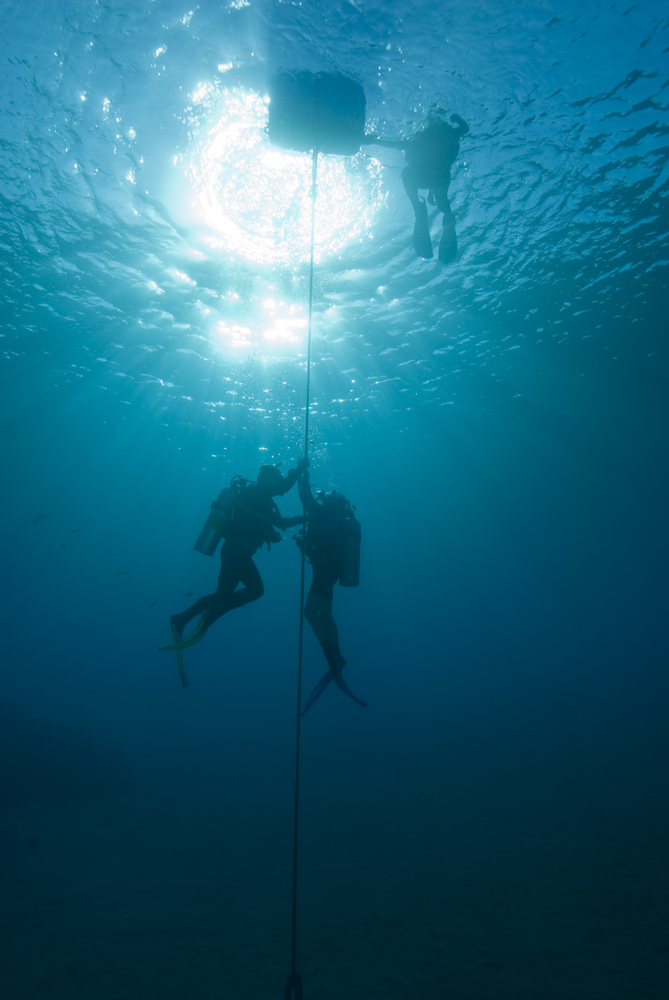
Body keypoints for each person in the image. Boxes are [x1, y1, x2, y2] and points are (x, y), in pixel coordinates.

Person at [160, 459, 308, 658]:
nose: (277, 483)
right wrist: (298, 471)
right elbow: (281, 489)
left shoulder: (262, 500)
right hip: (237, 551)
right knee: (254, 591)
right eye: (275, 479)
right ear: (268, 479)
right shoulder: (256, 493)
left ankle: (183, 619)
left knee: (223, 595)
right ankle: (201, 620)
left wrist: (305, 518)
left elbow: (280, 523)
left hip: (236, 552)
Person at [290, 470, 367, 715]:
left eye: (331, 494)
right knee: (324, 611)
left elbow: (307, 500)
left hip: (326, 567)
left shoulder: (325, 511)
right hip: (327, 566)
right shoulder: (331, 514)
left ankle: (331, 656)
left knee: (310, 611)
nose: (327, 495)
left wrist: (302, 474)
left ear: (335, 501)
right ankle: (337, 656)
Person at [362, 112, 469, 262]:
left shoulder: (421, 138)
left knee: (432, 193)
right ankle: (440, 213)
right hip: (436, 177)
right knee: (438, 198)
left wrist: (373, 140)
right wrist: (457, 119)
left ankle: (425, 209)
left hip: (432, 177)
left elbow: (394, 143)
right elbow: (464, 129)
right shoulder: (447, 134)